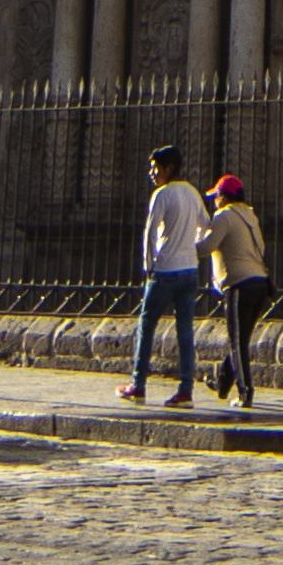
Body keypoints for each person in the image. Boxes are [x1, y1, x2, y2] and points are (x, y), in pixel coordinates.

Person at [126, 146, 210, 404]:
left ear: (168, 168)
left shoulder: (161, 195)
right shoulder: (193, 192)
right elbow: (206, 224)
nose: (152, 173)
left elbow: (150, 232)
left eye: (155, 168)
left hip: (165, 271)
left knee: (146, 325)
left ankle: (138, 384)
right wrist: (192, 247)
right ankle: (186, 389)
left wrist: (149, 264)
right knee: (185, 330)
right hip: (189, 269)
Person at [202, 169, 274, 406]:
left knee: (236, 341)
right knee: (241, 337)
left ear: (223, 196)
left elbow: (207, 246)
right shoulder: (249, 215)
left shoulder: (224, 216)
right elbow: (261, 248)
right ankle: (223, 383)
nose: (214, 201)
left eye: (216, 197)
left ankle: (245, 392)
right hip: (259, 282)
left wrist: (184, 245)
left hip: (239, 284)